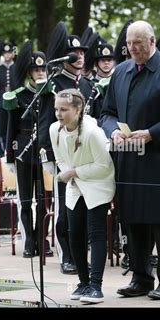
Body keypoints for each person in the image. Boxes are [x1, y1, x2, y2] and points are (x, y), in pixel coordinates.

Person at [101, 20, 160, 300]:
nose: (132, 48)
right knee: (133, 220)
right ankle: (141, 277)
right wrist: (114, 130)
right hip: (129, 161)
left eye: (138, 43)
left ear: (152, 42)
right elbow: (106, 113)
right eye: (129, 43)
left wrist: (152, 134)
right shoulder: (120, 72)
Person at [50, 88, 115, 303]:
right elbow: (59, 159)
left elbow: (104, 166)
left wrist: (75, 172)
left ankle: (96, 286)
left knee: (96, 233)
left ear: (78, 110)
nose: (59, 114)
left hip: (97, 185)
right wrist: (69, 173)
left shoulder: (92, 133)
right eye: (57, 109)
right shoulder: (54, 130)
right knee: (74, 233)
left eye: (64, 109)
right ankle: (83, 283)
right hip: (75, 186)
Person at [39, 22, 93, 274]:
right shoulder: (54, 83)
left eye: (82, 53)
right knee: (64, 208)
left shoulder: (88, 85)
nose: (79, 57)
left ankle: (80, 254)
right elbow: (44, 121)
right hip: (62, 154)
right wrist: (46, 154)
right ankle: (66, 256)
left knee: (83, 207)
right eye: (75, 54)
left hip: (86, 155)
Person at [5, 40, 52, 258]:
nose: (40, 73)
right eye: (36, 69)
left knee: (44, 200)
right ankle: (28, 241)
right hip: (23, 151)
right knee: (25, 201)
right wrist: (9, 156)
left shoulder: (50, 95)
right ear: (29, 72)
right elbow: (10, 128)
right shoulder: (19, 95)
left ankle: (42, 240)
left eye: (43, 69)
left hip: (43, 153)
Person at [0, 42, 16, 156]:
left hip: (14, 100)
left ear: (13, 54)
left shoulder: (16, 67)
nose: (7, 55)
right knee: (3, 128)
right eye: (5, 53)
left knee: (14, 125)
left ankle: (14, 148)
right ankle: (4, 150)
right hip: (2, 101)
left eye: (9, 53)